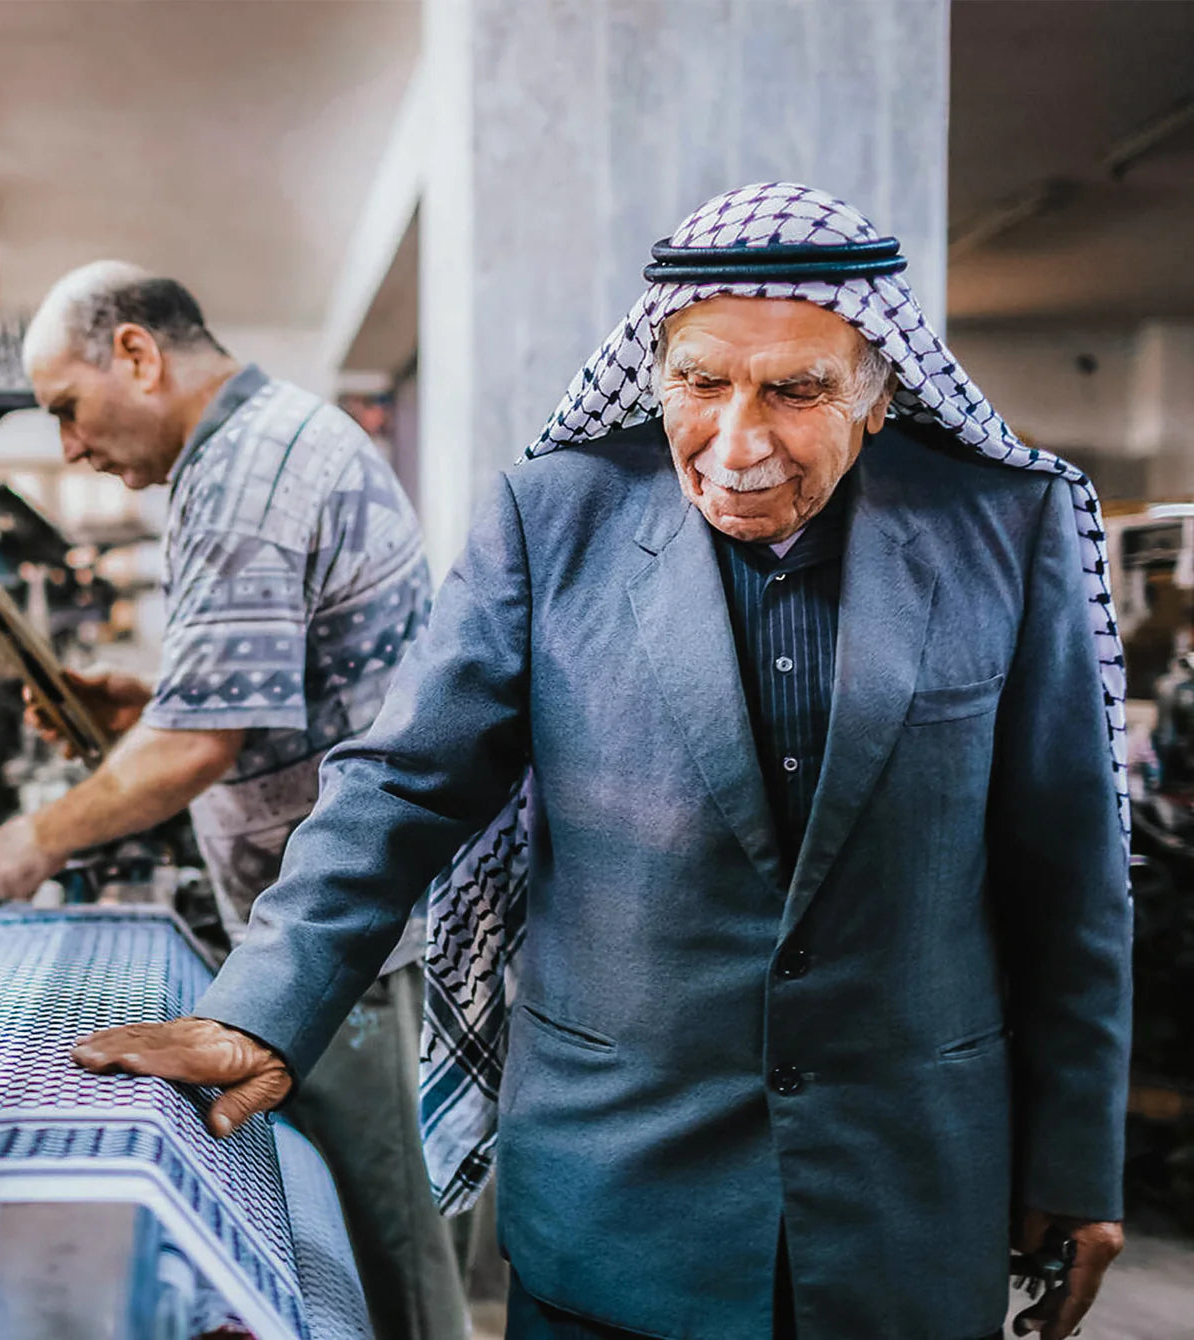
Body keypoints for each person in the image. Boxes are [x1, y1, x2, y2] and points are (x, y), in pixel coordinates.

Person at [72, 186, 1132, 1340]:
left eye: (796, 388)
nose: (736, 440)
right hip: (617, 1193)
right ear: (654, 368)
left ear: (877, 394)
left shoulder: (1001, 524)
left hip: (908, 1199)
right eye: (700, 381)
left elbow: (1068, 866)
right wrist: (264, 1009)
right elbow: (403, 782)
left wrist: (1077, 1151)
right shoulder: (552, 516)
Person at [0, 262, 469, 1340]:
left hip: (349, 939)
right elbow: (264, 700)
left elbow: (199, 745)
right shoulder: (264, 441)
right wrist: (141, 706)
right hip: (337, 926)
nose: (68, 447)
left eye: (65, 408)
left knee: (384, 1249)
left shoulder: (242, 471)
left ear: (137, 355)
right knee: (350, 1232)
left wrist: (32, 837)